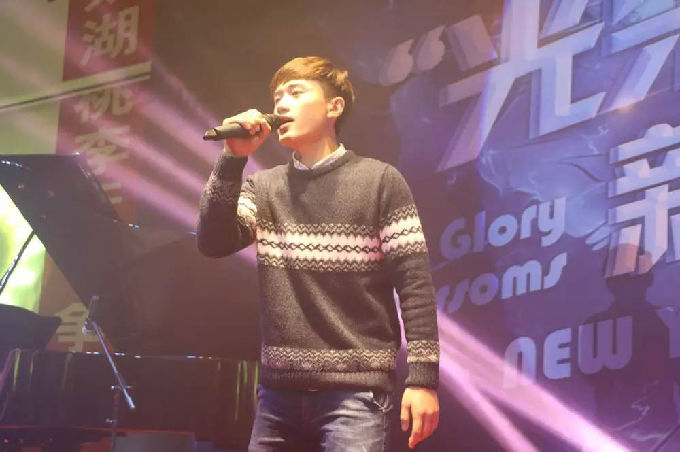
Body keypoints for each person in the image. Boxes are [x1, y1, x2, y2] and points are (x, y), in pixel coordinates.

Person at [197, 56, 439, 451]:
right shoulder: (264, 187)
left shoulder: (380, 181)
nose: (281, 104)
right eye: (277, 97)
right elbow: (213, 241)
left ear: (334, 107)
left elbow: (415, 286)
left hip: (356, 395)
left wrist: (423, 380)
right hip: (277, 396)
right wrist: (232, 158)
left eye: (295, 92)